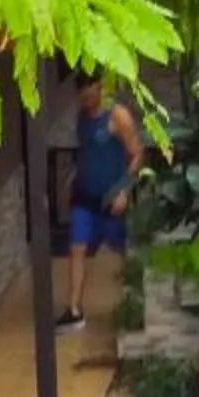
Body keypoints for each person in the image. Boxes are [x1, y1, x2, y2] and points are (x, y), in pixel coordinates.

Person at [57, 72, 143, 333]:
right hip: (85, 197)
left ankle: (138, 303)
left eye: (89, 89)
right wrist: (72, 179)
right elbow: (85, 153)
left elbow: (137, 155)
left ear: (100, 88)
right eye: (80, 91)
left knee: (124, 251)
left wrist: (123, 191)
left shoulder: (117, 116)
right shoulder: (82, 118)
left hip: (111, 200)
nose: (85, 96)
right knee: (77, 248)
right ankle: (74, 310)